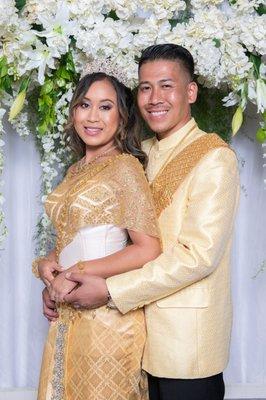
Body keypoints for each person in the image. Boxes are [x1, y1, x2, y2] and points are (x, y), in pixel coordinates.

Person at [50, 44, 240, 400]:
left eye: (166, 85)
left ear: (191, 91)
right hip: (129, 337)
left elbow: (197, 257)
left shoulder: (215, 157)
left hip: (183, 343)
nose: (154, 98)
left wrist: (107, 290)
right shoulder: (137, 153)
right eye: (145, 87)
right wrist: (57, 272)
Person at [33, 67, 161, 400]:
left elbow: (148, 248)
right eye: (85, 104)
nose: (93, 116)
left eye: (105, 107)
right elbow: (74, 235)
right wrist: (48, 265)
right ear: (74, 110)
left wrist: (77, 272)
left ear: (122, 116)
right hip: (69, 317)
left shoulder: (124, 168)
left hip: (107, 322)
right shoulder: (77, 169)